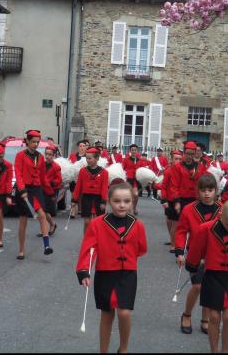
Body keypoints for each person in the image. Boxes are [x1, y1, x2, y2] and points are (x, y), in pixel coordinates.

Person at [76, 182, 147, 354]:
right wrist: (84, 270)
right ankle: (103, 350)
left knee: (124, 313)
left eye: (126, 201)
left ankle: (123, 349)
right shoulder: (97, 224)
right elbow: (88, 249)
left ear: (132, 202)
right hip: (105, 273)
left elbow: (141, 248)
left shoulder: (137, 225)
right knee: (107, 314)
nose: (122, 205)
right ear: (108, 201)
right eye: (116, 201)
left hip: (127, 274)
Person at [186, 199, 228, 353]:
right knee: (214, 316)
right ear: (221, 215)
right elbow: (196, 250)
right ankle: (214, 350)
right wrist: (193, 266)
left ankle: (225, 351)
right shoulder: (206, 228)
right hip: (213, 275)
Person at [175, 174, 222, 335]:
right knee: (197, 285)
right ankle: (186, 314)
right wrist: (180, 251)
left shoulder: (222, 210)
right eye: (203, 190)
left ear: (216, 191)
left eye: (210, 190)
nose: (207, 194)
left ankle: (205, 319)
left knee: (208, 287)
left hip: (214, 255)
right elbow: (181, 231)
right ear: (198, 191)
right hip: (195, 254)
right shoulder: (189, 210)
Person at [14, 130, 54, 259]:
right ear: (27, 141)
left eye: (37, 142)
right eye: (33, 142)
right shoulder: (20, 155)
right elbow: (18, 174)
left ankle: (46, 246)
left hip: (36, 190)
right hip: (24, 189)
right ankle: (21, 249)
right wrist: (22, 190)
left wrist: (50, 191)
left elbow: (43, 177)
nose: (36, 145)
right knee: (23, 220)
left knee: (42, 215)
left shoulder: (40, 157)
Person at [72, 147, 109, 234]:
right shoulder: (82, 171)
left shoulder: (104, 172)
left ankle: (96, 241)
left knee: (97, 222)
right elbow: (78, 186)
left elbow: (104, 188)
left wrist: (103, 202)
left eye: (90, 158)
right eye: (86, 158)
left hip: (98, 199)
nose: (88, 160)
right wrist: (74, 200)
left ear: (97, 158)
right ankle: (86, 240)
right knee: (87, 222)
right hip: (86, 198)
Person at [154, 150, 183, 251]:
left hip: (179, 199)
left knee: (175, 222)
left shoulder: (183, 170)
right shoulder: (168, 171)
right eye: (176, 159)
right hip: (170, 199)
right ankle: (173, 241)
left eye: (180, 159)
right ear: (171, 159)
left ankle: (174, 243)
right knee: (170, 220)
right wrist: (164, 199)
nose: (178, 161)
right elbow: (164, 186)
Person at [171, 141, 209, 215]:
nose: (190, 156)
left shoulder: (200, 166)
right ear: (184, 153)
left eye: (192, 154)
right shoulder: (177, 167)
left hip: (196, 199)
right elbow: (174, 185)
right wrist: (177, 202)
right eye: (188, 153)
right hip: (182, 199)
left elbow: (204, 182)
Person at [41, 145, 62, 237]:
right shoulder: (41, 165)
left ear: (53, 155)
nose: (47, 156)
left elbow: (59, 179)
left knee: (46, 211)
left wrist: (52, 183)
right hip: (42, 189)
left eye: (50, 154)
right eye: (46, 154)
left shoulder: (56, 166)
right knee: (41, 211)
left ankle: (52, 224)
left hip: (51, 190)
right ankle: (46, 228)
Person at [122, 144, 144, 214]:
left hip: (136, 179)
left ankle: (134, 208)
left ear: (137, 151)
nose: (133, 151)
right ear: (130, 151)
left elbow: (142, 169)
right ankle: (128, 208)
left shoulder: (140, 160)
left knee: (136, 195)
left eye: (135, 150)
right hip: (128, 179)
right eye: (132, 150)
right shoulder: (126, 159)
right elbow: (123, 169)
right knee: (128, 195)